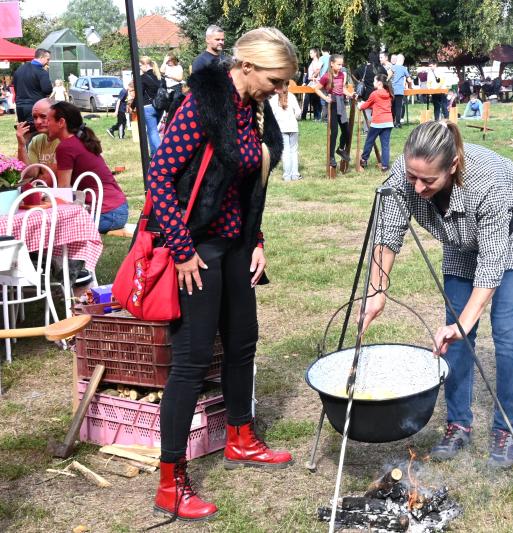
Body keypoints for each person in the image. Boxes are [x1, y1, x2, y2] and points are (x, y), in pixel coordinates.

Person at [144, 27, 297, 523]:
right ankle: (171, 481)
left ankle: (240, 437)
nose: (281, 90)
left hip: (234, 244)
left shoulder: (254, 108)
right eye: (276, 79)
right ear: (248, 66)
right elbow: (161, 177)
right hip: (197, 247)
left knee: (243, 342)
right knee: (189, 362)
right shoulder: (202, 103)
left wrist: (257, 241)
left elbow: (250, 184)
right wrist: (184, 251)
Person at [361, 120, 513, 469]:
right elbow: (388, 233)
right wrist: (378, 291)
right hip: (461, 239)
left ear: (452, 166)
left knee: (506, 333)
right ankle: (458, 424)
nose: (417, 187)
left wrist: (466, 322)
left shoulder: (487, 184)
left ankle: (505, 428)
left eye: (428, 181)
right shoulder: (405, 179)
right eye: (411, 177)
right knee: (454, 333)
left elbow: (492, 262)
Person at [48, 102, 128, 232]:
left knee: (52, 229)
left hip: (106, 214)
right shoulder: (79, 140)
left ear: (61, 122)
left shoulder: (66, 146)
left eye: (49, 120)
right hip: (117, 209)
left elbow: (64, 190)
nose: (46, 124)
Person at [314, 54, 355, 169]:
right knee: (335, 132)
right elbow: (316, 88)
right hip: (333, 105)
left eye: (342, 64)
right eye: (339, 64)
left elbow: (342, 89)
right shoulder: (326, 76)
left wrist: (350, 95)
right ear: (332, 64)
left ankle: (341, 149)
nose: (341, 66)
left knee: (346, 131)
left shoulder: (342, 74)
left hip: (341, 104)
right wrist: (325, 98)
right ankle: (331, 156)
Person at [15, 98, 58, 180]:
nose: (38, 122)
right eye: (35, 117)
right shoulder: (36, 141)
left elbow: (50, 178)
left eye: (43, 116)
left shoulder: (64, 140)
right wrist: (21, 145)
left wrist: (38, 178)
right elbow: (30, 174)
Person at [358, 73, 393, 171]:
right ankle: (385, 166)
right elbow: (377, 105)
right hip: (388, 122)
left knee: (369, 141)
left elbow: (366, 105)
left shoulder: (375, 94)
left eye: (374, 81)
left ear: (379, 83)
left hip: (378, 122)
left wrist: (360, 105)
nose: (373, 82)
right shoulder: (389, 93)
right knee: (385, 145)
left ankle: (364, 160)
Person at [11, 48, 53, 123]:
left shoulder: (19, 70)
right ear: (41, 57)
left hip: (20, 106)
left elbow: (15, 88)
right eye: (47, 59)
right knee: (36, 131)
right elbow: (47, 90)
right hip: (35, 106)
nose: (48, 62)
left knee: (24, 130)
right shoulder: (42, 72)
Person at [269, 91, 302, 181]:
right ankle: (295, 175)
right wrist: (294, 118)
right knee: (294, 151)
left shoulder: (273, 99)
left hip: (281, 128)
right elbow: (298, 112)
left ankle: (287, 176)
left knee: (285, 152)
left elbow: (270, 115)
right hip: (293, 127)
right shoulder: (291, 96)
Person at [139, 56, 162, 153]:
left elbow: (139, 93)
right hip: (160, 106)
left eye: (140, 66)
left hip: (148, 107)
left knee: (153, 131)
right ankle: (153, 154)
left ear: (145, 64)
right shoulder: (159, 77)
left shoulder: (143, 78)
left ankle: (160, 154)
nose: (139, 68)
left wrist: (132, 105)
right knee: (151, 130)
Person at [390, 54, 410, 127]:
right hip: (399, 90)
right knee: (398, 107)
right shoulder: (403, 68)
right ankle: (398, 123)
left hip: (392, 90)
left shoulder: (392, 67)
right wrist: (410, 86)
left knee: (392, 107)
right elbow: (409, 79)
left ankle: (392, 122)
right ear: (402, 60)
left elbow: (388, 77)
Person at [302, 48, 322, 120]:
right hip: (311, 82)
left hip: (315, 83)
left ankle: (317, 117)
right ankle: (305, 116)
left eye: (311, 53)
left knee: (315, 100)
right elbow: (308, 75)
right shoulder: (312, 62)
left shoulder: (318, 62)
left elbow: (318, 74)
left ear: (315, 53)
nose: (310, 54)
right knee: (310, 100)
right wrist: (305, 82)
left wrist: (314, 78)